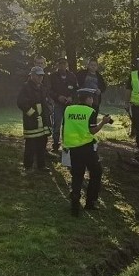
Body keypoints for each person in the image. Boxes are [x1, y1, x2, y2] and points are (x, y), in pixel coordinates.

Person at [63, 88, 112, 216]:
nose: (93, 100)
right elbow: (92, 131)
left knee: (77, 175)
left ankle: (75, 200)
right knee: (96, 172)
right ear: (88, 99)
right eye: (92, 98)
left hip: (73, 147)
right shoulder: (90, 111)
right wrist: (103, 122)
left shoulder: (68, 109)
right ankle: (90, 202)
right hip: (87, 148)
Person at [16, 66, 52, 172]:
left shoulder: (42, 87)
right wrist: (33, 114)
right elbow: (21, 102)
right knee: (31, 144)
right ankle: (28, 166)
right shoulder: (26, 87)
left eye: (42, 76)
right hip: (32, 121)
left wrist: (49, 109)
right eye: (38, 75)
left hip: (43, 120)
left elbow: (47, 100)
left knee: (42, 143)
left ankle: (41, 165)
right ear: (31, 75)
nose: (40, 78)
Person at [48, 57, 78, 152]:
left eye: (64, 63)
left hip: (69, 104)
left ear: (67, 65)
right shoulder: (52, 76)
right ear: (57, 65)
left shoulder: (72, 76)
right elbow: (49, 90)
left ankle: (66, 145)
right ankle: (55, 144)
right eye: (60, 63)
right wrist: (57, 97)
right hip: (57, 104)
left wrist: (71, 97)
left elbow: (76, 90)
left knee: (68, 125)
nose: (62, 65)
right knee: (56, 125)